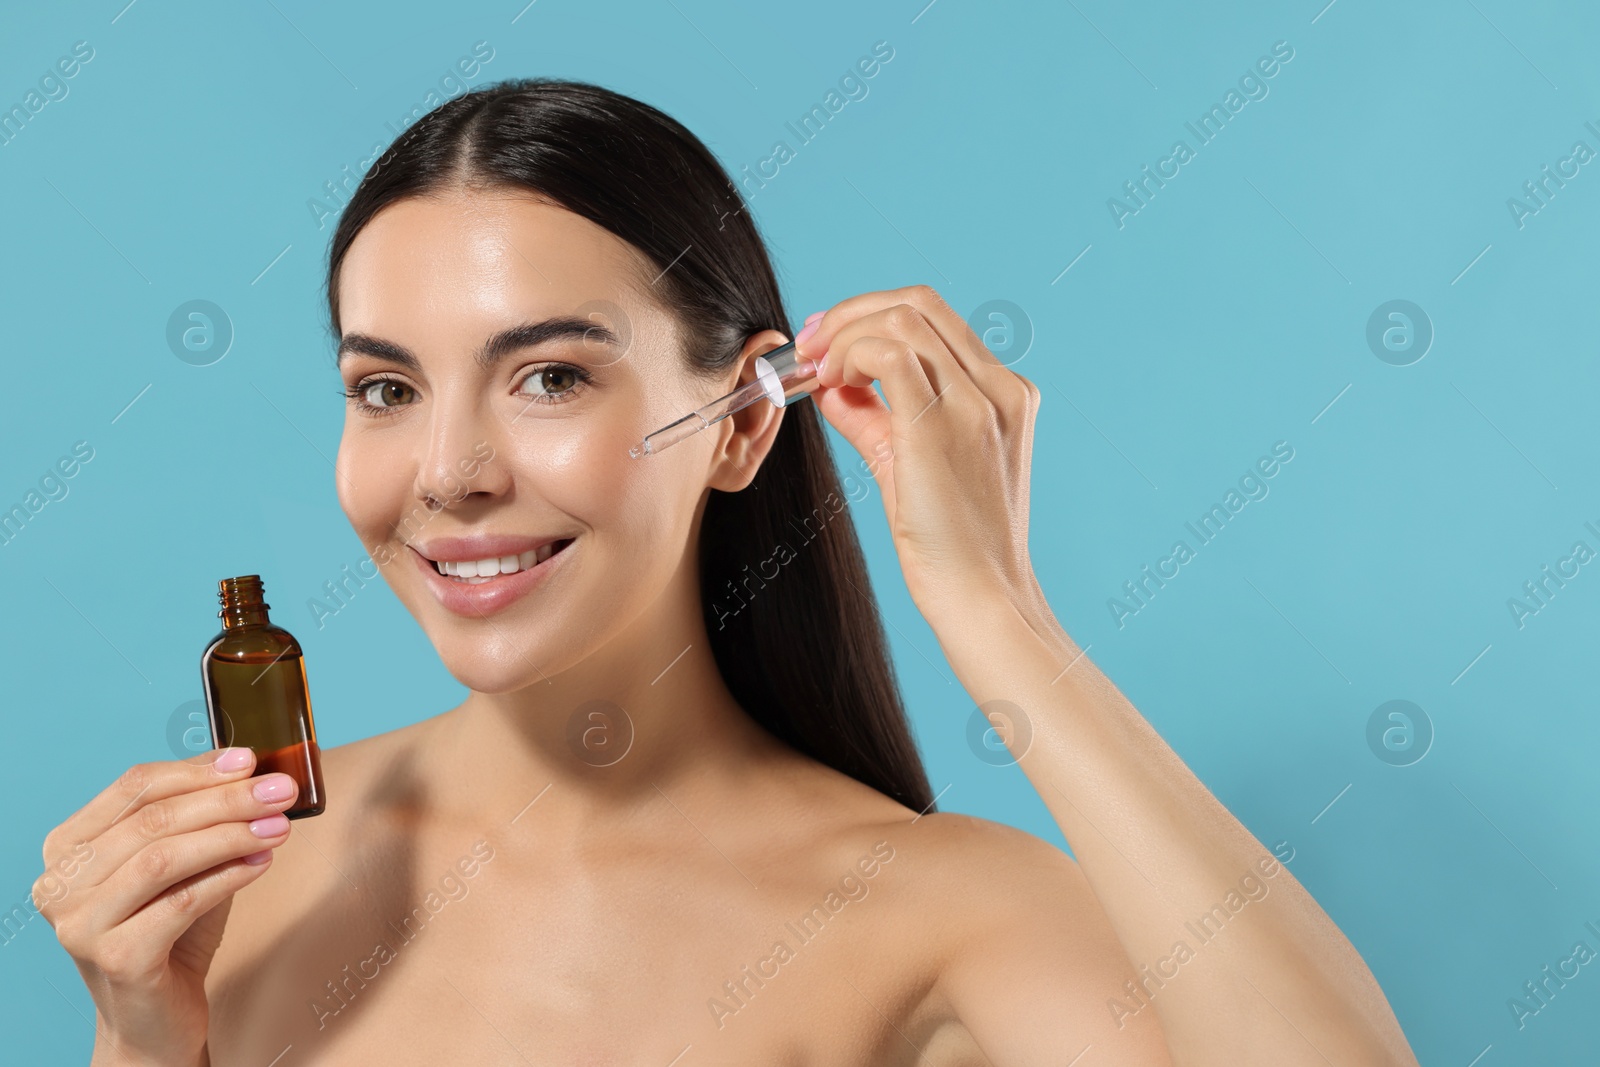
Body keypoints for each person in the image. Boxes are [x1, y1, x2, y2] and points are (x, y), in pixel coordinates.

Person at [36, 78, 1419, 1065]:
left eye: (551, 375)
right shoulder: (260, 867)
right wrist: (140, 1041)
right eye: (386, 390)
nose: (449, 471)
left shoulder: (941, 916)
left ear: (747, 420)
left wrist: (995, 611)